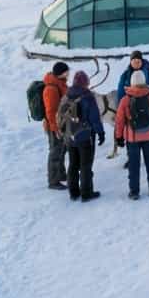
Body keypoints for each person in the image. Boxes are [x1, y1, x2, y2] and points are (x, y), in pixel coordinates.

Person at [115, 69, 149, 200]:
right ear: (144, 82)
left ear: (131, 83)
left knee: (133, 165)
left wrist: (119, 137)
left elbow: (119, 121)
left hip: (132, 138)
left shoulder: (125, 100)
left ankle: (134, 192)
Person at [59, 70, 105, 202]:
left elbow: (61, 114)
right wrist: (100, 132)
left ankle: (73, 192)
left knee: (73, 164)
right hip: (85, 136)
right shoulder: (87, 96)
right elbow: (94, 117)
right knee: (85, 165)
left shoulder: (67, 95)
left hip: (70, 136)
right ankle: (86, 193)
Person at [42, 61, 69, 191]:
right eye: (66, 71)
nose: (68, 73)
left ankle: (61, 174)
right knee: (55, 152)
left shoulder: (61, 83)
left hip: (62, 124)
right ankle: (53, 180)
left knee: (62, 150)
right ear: (60, 73)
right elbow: (51, 111)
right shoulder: (51, 89)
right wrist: (55, 128)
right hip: (54, 126)